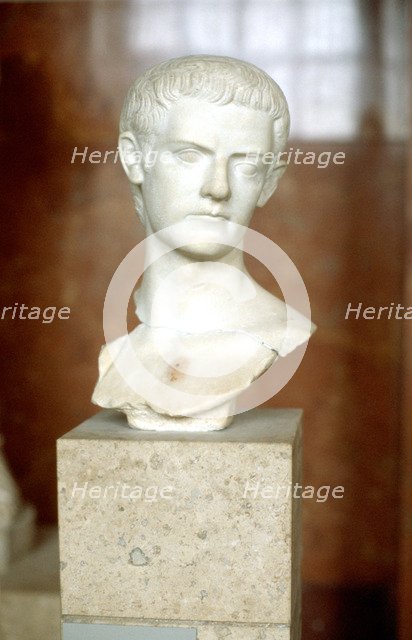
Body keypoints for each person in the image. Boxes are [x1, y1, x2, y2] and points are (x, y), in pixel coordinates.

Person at [92, 55, 314, 431]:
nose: (218, 188)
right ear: (134, 158)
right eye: (189, 155)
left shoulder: (276, 332)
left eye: (246, 165)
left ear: (269, 182)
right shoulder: (117, 356)